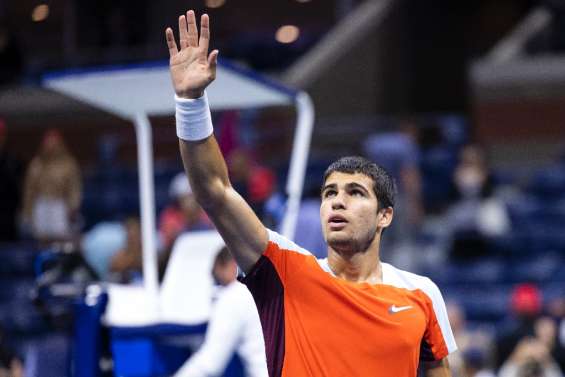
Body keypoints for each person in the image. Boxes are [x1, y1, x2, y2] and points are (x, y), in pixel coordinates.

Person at [165, 10, 457, 377]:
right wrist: (190, 102)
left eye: (355, 193)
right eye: (329, 193)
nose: (337, 201)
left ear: (385, 215)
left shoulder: (422, 292)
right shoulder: (285, 270)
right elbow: (214, 191)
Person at [174, 247, 268, 377]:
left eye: (218, 282)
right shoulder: (275, 288)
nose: (219, 289)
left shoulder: (233, 296)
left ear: (232, 265)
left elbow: (210, 363)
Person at [21, 129, 82, 243]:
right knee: (41, 237)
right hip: (41, 203)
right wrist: (27, 211)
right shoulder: (36, 164)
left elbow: (74, 187)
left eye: (54, 143)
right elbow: (29, 190)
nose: (51, 146)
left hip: (59, 204)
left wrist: (73, 206)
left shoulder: (68, 164)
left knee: (61, 238)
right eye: (48, 143)